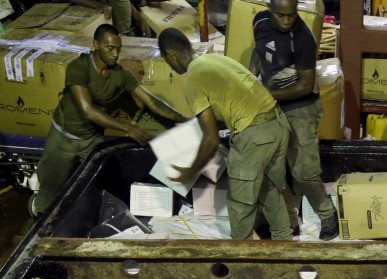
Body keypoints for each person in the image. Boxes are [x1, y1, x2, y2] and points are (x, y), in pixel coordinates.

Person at [32, 24, 186, 217]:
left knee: (101, 183)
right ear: (95, 45)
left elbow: (151, 102)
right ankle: (40, 225)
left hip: (92, 139)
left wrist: (185, 118)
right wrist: (128, 128)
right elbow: (87, 110)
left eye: (118, 49)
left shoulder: (120, 75)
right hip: (64, 138)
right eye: (110, 48)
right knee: (50, 188)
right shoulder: (79, 67)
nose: (115, 54)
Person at [157, 27, 293, 241]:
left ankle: (242, 264)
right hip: (277, 124)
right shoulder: (215, 60)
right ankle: (286, 249)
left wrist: (189, 171)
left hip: (255, 134)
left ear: (169, 55)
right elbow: (229, 104)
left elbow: (211, 139)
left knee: (240, 205)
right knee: (269, 190)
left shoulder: (193, 79)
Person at [251, 0, 339, 241]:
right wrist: (250, 79)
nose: (287, 21)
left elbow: (304, 85)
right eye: (281, 15)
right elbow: (258, 51)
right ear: (271, 11)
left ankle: (327, 214)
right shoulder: (259, 21)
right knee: (274, 166)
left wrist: (264, 96)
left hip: (301, 107)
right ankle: (288, 222)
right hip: (272, 105)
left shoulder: (302, 38)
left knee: (303, 170)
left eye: (292, 15)